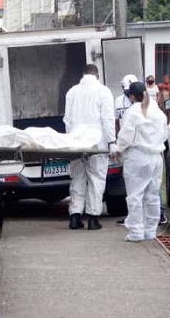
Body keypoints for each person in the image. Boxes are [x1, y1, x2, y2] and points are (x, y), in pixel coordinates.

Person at [112, 82, 169, 241]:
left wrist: (118, 149)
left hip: (137, 157)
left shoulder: (133, 112)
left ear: (131, 96)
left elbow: (126, 136)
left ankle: (136, 232)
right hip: (156, 157)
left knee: (135, 196)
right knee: (152, 196)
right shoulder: (157, 111)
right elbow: (165, 134)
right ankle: (150, 231)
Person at [64, 64, 116, 230]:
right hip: (97, 142)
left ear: (83, 74)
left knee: (78, 178)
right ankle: (93, 219)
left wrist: (71, 138)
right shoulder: (104, 91)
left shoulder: (72, 91)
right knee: (96, 179)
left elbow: (67, 120)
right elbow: (107, 119)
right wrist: (111, 142)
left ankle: (75, 216)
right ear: (97, 75)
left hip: (76, 142)